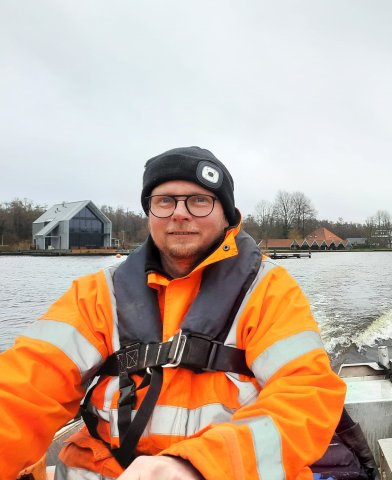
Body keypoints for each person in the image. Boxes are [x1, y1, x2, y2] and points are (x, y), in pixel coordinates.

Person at [0, 146, 347, 479]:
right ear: (150, 212)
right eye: (165, 201)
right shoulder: (96, 295)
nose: (180, 213)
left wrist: (198, 466)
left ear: (226, 214)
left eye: (199, 200)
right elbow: (24, 387)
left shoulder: (269, 291)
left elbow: (307, 394)